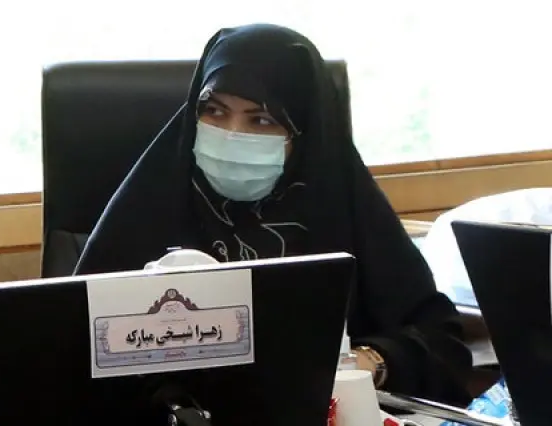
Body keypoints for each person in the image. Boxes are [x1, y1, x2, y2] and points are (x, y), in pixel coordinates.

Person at [74, 23, 473, 405]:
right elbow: (67, 347)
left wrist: (368, 364)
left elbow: (443, 346)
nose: (232, 133)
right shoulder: (150, 207)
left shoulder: (344, 207)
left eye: (262, 119)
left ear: (303, 131)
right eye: (214, 111)